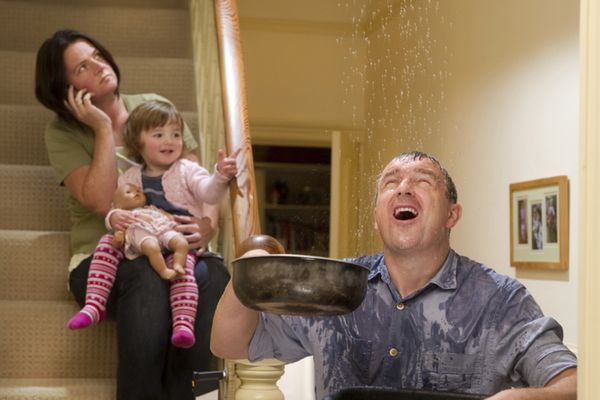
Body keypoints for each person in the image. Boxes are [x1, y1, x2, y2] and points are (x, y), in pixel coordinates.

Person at [211, 151, 577, 400]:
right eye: (391, 182)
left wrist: (516, 397)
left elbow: (574, 384)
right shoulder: (334, 285)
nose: (403, 187)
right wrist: (248, 270)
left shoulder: (501, 300)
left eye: (422, 180)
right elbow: (228, 343)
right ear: (376, 216)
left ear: (452, 214)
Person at [35, 28, 232, 399]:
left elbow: (199, 181)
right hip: (105, 260)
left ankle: (190, 395)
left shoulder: (153, 105)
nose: (98, 66)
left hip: (174, 248)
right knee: (146, 274)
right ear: (66, 91)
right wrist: (104, 129)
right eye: (81, 68)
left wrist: (208, 226)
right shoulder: (62, 132)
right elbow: (98, 201)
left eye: (96, 55)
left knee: (215, 274)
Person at [67, 100, 239, 350]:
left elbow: (209, 193)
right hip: (140, 239)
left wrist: (220, 176)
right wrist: (113, 219)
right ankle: (94, 304)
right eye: (159, 134)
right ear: (138, 143)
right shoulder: (130, 176)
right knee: (106, 245)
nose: (169, 141)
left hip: (174, 240)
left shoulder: (187, 170)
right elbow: (116, 208)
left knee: (182, 271)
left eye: (176, 134)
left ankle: (182, 323)